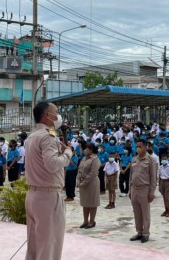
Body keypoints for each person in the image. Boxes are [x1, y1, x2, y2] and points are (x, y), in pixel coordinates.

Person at [25, 101, 73, 260]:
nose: (58, 116)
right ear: (47, 115)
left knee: (35, 245)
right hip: (48, 197)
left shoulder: (33, 136)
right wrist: (68, 153)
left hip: (33, 195)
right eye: (56, 112)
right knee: (49, 245)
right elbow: (52, 165)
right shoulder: (48, 136)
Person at [129, 139, 157, 243]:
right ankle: (139, 232)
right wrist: (129, 190)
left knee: (145, 213)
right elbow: (131, 175)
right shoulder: (134, 159)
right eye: (137, 146)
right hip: (134, 189)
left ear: (146, 147)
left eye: (140, 146)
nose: (138, 148)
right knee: (137, 212)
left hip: (144, 189)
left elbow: (154, 177)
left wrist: (151, 192)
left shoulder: (150, 160)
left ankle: (146, 233)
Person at [77, 143, 101, 228]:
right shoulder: (84, 158)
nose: (85, 150)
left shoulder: (95, 159)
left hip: (92, 183)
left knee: (92, 203)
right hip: (83, 183)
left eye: (86, 148)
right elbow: (80, 170)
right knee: (85, 202)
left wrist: (84, 183)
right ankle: (85, 221)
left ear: (91, 150)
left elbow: (93, 173)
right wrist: (78, 180)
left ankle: (91, 221)